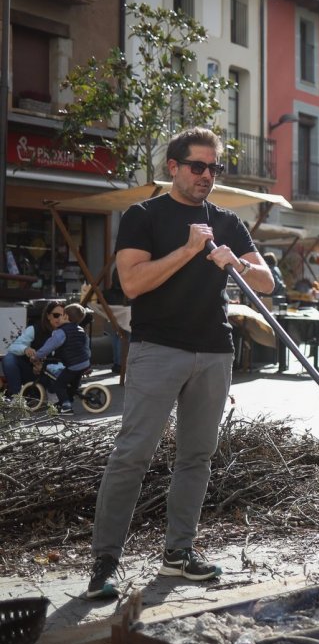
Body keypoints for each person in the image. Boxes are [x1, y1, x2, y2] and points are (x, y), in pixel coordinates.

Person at [87, 127, 274, 599]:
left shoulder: (228, 221)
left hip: (214, 350)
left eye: (214, 168)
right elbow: (131, 283)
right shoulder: (143, 216)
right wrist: (190, 250)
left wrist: (240, 266)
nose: (207, 176)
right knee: (133, 454)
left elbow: (267, 282)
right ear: (173, 167)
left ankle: (179, 553)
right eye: (198, 166)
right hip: (157, 349)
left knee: (197, 457)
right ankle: (105, 561)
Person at [30, 303, 91, 414]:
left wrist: (37, 355)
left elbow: (49, 346)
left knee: (59, 385)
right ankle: (67, 400)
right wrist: (88, 363)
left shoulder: (61, 332)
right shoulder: (81, 331)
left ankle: (66, 407)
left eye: (61, 315)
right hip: (84, 363)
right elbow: (86, 348)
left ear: (66, 317)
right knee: (72, 385)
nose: (58, 318)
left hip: (73, 365)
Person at [3, 301, 65, 401]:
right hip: (32, 373)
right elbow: (13, 347)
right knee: (9, 359)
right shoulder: (34, 329)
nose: (59, 318)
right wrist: (25, 349)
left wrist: (45, 367)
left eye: (63, 315)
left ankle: (52, 394)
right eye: (56, 315)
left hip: (54, 375)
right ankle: (17, 397)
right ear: (48, 316)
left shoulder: (68, 332)